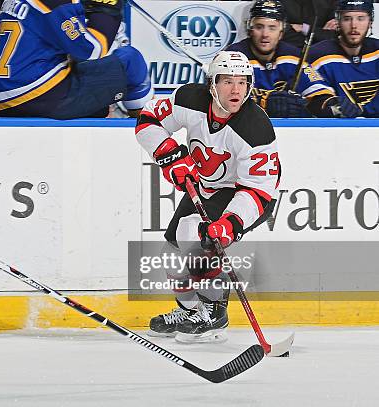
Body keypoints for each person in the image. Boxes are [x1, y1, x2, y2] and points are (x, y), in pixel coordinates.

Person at [135, 51, 280, 341]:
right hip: (204, 186)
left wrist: (230, 223)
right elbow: (148, 119)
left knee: (194, 241)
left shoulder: (255, 127)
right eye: (227, 81)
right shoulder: (190, 99)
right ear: (212, 84)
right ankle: (190, 311)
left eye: (242, 82)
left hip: (245, 195)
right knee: (171, 257)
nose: (236, 89)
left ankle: (214, 312)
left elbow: (260, 189)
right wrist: (171, 156)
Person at [0, 0, 153, 118]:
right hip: (40, 96)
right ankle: (147, 129)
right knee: (131, 60)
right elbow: (93, 48)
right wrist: (106, 10)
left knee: (99, 104)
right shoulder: (53, 3)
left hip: (5, 100)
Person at [227, 0, 356, 118]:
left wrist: (332, 104)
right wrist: (263, 103)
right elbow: (220, 98)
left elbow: (317, 91)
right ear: (250, 29)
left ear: (281, 32)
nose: (265, 34)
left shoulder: (293, 56)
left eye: (272, 28)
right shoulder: (233, 56)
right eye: (259, 27)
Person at [308, 0, 379, 117]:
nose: (354, 25)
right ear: (338, 22)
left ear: (370, 22)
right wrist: (329, 104)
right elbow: (312, 99)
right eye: (347, 18)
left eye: (360, 18)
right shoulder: (317, 55)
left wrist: (362, 109)